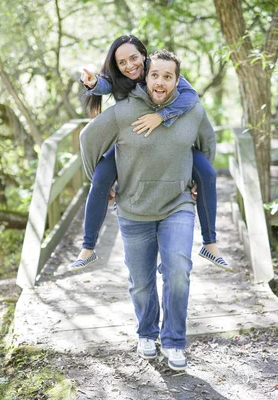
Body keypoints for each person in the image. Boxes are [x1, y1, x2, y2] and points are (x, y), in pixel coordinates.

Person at [80, 49, 215, 371]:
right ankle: (146, 332)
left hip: (177, 205)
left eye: (168, 76)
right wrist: (101, 182)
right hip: (134, 208)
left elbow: (207, 143)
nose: (160, 81)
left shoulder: (191, 108)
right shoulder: (125, 111)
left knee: (178, 271)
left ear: (176, 80)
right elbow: (88, 138)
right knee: (141, 282)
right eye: (155, 75)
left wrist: (199, 178)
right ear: (146, 76)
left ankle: (173, 341)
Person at [71, 35, 230, 272]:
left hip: (176, 143)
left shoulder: (160, 68)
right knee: (100, 177)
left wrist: (161, 116)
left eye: (134, 58)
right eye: (122, 62)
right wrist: (93, 83)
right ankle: (88, 248)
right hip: (131, 143)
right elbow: (107, 86)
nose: (129, 66)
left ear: (144, 56)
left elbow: (191, 96)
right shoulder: (124, 80)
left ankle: (210, 243)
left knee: (207, 173)